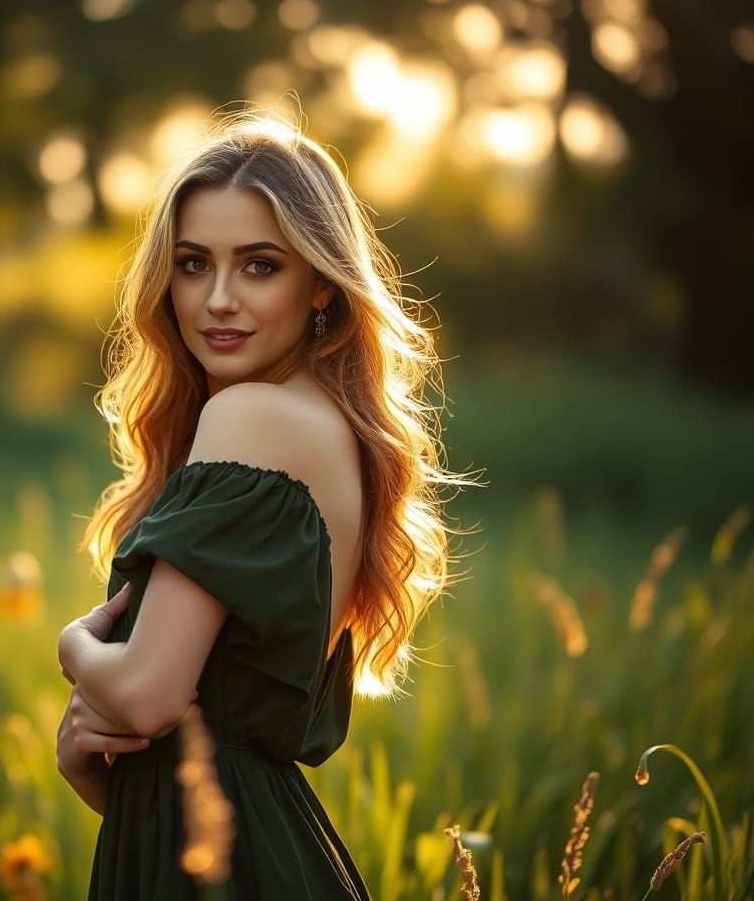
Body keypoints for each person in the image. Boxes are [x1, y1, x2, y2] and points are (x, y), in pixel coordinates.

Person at [56, 107, 467, 900]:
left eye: (258, 266)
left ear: (320, 282)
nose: (216, 299)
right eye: (192, 263)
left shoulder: (254, 418)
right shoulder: (320, 424)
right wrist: (83, 762)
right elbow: (185, 775)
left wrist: (76, 649)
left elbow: (146, 695)